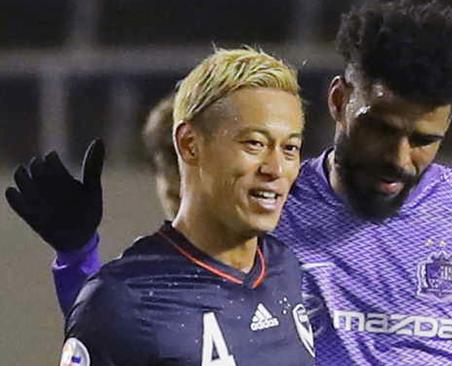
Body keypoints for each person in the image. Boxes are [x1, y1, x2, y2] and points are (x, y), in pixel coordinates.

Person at [7, 1, 452, 365]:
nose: (398, 157)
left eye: (424, 140)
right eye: (380, 130)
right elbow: (141, 318)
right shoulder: (267, 207)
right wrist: (78, 257)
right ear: (339, 101)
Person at [8, 48, 314, 365]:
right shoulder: (123, 300)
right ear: (189, 144)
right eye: (255, 143)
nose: (276, 168)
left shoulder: (286, 267)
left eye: (290, 148)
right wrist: (77, 260)